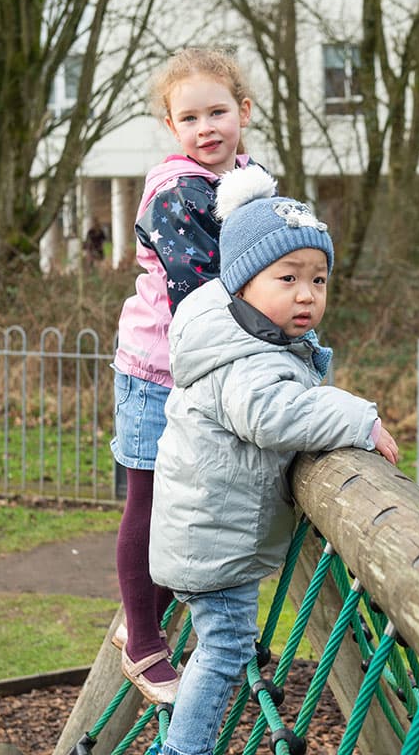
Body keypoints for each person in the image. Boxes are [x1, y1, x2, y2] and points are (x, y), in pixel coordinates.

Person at [148, 165, 399, 754]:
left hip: (207, 535)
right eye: (287, 278)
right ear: (242, 282)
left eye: (318, 279)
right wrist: (358, 417)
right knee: (227, 654)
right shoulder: (245, 359)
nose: (307, 294)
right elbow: (273, 415)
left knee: (222, 650)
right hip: (213, 544)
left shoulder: (245, 334)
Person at [109, 47, 260, 704]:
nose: (207, 128)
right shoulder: (178, 191)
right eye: (190, 117)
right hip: (157, 370)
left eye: (218, 112)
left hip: (207, 373)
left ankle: (147, 620)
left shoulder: (249, 182)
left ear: (244, 113)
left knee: (190, 507)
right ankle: (142, 640)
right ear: (172, 128)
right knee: (149, 503)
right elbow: (203, 289)